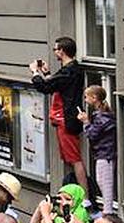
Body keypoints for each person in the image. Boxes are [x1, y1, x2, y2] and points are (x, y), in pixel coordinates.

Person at [30, 37, 87, 193]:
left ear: (62, 51)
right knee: (69, 158)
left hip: (65, 119)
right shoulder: (72, 69)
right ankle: (72, 190)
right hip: (65, 118)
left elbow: (45, 87)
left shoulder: (69, 71)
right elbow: (56, 84)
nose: (54, 52)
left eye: (56, 49)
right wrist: (47, 73)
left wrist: (35, 73)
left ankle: (85, 196)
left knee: (74, 159)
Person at [78, 84, 116, 215]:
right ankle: (107, 211)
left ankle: (108, 212)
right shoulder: (101, 115)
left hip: (105, 154)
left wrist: (85, 122)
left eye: (86, 97)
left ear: (94, 98)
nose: (85, 100)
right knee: (103, 181)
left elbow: (92, 134)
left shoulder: (102, 117)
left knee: (105, 183)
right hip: (103, 153)